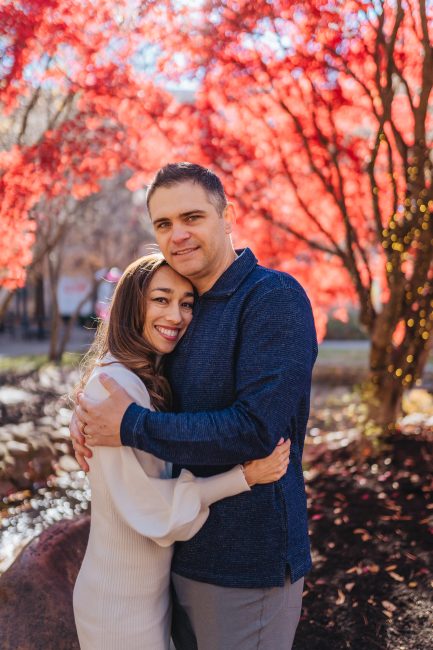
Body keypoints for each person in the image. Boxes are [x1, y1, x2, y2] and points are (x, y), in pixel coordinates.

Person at [71, 162, 318, 650]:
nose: (177, 234)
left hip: (246, 567)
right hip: (174, 561)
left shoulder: (272, 298)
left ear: (228, 216)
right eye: (163, 224)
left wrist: (128, 425)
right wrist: (86, 415)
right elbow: (142, 385)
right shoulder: (185, 308)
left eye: (192, 217)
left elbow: (255, 429)